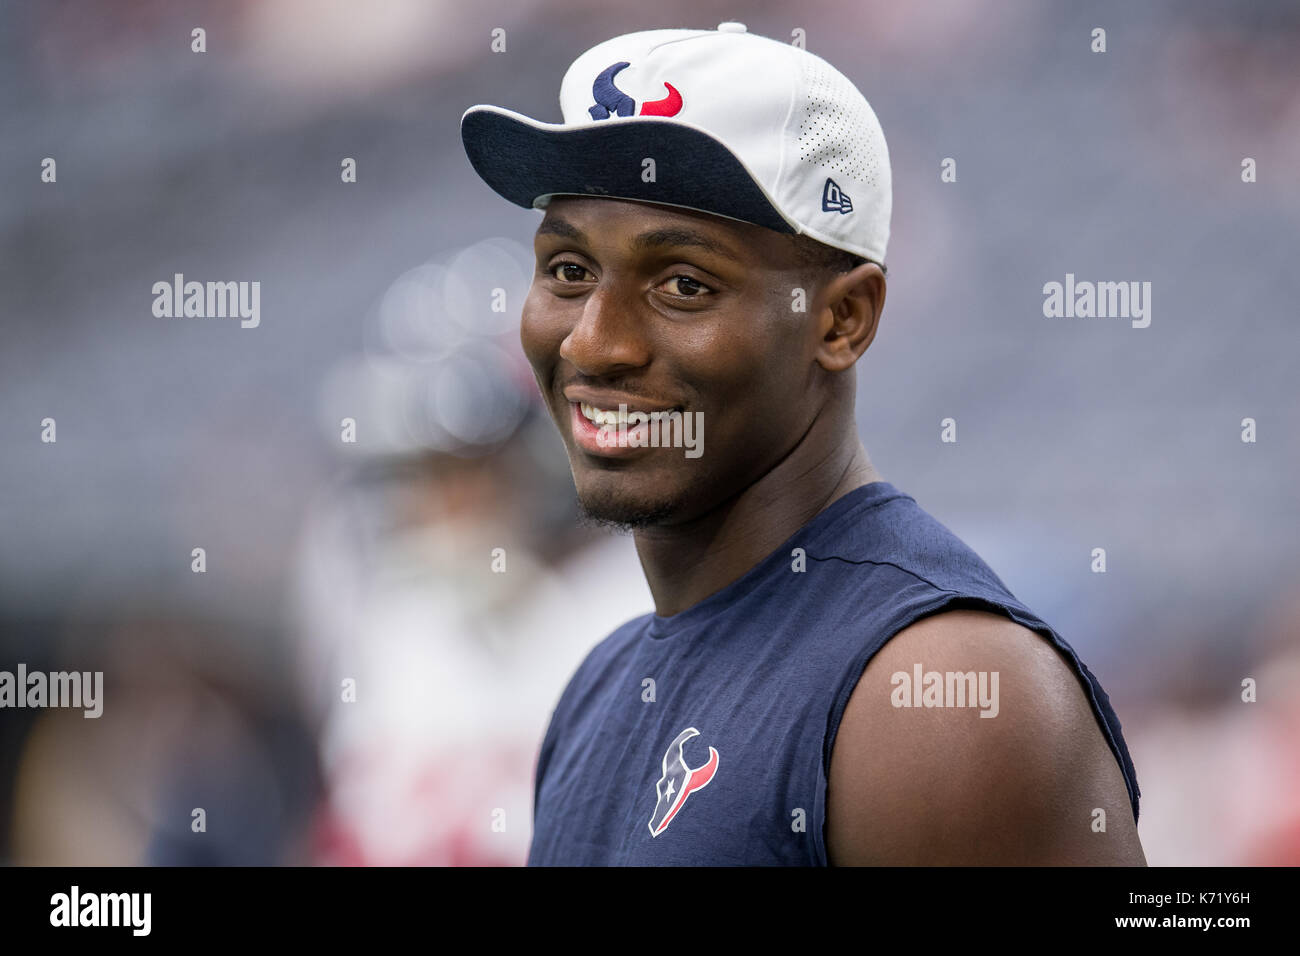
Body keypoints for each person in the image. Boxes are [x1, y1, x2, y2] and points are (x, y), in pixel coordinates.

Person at [460, 23, 1145, 865]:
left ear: (841, 319)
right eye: (568, 271)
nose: (595, 344)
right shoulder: (601, 684)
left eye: (683, 284)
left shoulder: (938, 695)